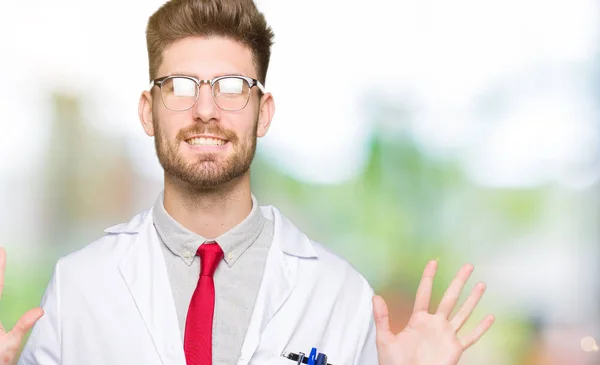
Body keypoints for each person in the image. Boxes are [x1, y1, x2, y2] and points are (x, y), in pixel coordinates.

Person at [0, 0, 494, 364]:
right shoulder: (78, 285)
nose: (207, 110)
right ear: (148, 112)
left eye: (233, 88)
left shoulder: (339, 293)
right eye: (180, 86)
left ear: (264, 114)